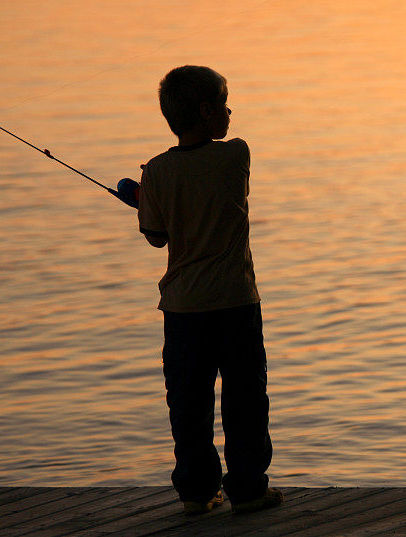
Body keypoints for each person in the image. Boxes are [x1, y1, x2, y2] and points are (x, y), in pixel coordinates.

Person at [138, 65, 283, 515]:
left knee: (188, 403)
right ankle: (248, 490)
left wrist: (144, 195)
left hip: (183, 310)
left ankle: (198, 494)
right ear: (206, 112)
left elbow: (157, 234)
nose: (229, 111)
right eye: (223, 103)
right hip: (235, 302)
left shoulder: (157, 172)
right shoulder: (235, 155)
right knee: (245, 398)